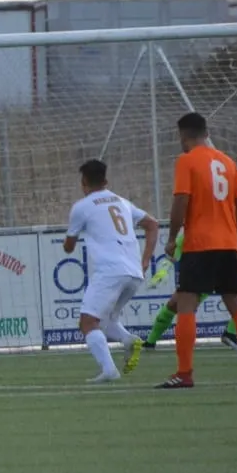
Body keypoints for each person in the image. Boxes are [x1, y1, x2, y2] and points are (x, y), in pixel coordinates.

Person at [160, 112, 237, 389]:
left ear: (184, 135)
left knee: (186, 304)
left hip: (199, 244)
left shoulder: (186, 160)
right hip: (228, 244)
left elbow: (181, 200)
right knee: (236, 305)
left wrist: (172, 237)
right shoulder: (227, 162)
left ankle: (184, 372)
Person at [62, 160, 159, 383]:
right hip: (133, 272)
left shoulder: (82, 207)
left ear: (83, 182)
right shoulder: (122, 202)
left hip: (110, 271)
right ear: (106, 180)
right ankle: (128, 340)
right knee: (106, 320)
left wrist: (70, 242)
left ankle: (109, 370)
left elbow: (69, 247)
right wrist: (145, 260)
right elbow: (152, 224)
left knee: (88, 322)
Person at [142, 223, 237, 350]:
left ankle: (230, 334)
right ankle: (150, 341)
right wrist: (164, 269)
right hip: (207, 269)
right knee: (176, 304)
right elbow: (179, 246)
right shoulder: (205, 224)